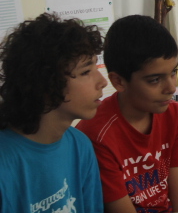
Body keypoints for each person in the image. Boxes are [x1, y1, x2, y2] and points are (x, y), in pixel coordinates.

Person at [77, 15, 178, 213]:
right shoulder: (97, 134)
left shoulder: (173, 114)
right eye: (155, 80)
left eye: (173, 72)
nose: (171, 88)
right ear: (118, 81)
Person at [0, 13, 107, 212]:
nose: (103, 82)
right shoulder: (6, 162)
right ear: (46, 82)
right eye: (85, 72)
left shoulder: (80, 145)